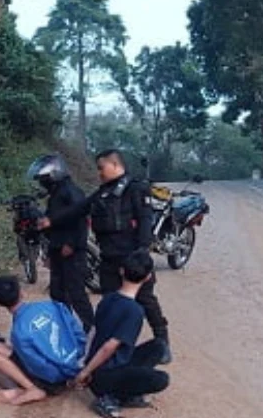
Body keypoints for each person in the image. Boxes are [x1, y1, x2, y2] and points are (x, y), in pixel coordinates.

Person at [41, 149, 171, 363]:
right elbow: (78, 210)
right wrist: (51, 221)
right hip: (109, 260)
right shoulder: (102, 193)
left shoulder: (136, 189)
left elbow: (145, 222)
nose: (99, 172)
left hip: (133, 259)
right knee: (110, 304)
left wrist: (143, 254)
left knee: (146, 300)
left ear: (115, 165)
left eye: (102, 168)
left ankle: (162, 341)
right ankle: (109, 347)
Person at [73, 251, 170, 418]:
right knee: (161, 379)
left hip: (100, 367)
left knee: (158, 346)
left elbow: (94, 331)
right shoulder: (135, 311)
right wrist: (85, 373)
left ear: (121, 271)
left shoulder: (108, 298)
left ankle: (123, 391)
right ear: (148, 278)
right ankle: (112, 396)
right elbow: (109, 346)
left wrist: (84, 362)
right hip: (103, 375)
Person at [0, 275, 85, 406]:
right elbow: (79, 335)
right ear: (21, 293)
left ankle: (31, 389)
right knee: (4, 371)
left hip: (54, 380)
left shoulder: (18, 332)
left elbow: (37, 366)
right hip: (75, 365)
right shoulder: (54, 306)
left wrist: (57, 379)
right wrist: (74, 363)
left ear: (0, 303)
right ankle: (26, 389)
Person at [27, 154, 93, 331]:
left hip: (71, 250)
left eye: (43, 179)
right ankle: (66, 325)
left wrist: (71, 244)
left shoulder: (71, 192)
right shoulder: (56, 194)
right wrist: (49, 252)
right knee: (57, 292)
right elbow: (54, 224)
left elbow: (80, 220)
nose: (42, 183)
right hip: (57, 249)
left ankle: (91, 326)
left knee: (76, 291)